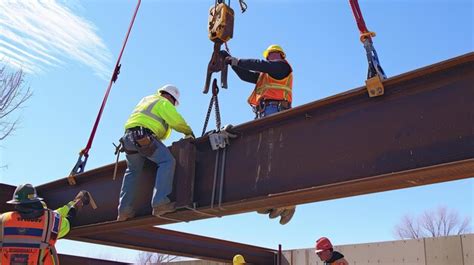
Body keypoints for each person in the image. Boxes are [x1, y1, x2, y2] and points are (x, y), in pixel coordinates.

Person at [225, 44, 296, 225]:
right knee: (263, 156)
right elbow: (246, 74)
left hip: (276, 111)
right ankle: (270, 197)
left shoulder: (282, 68)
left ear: (280, 55)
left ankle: (288, 201)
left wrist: (237, 60)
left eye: (273, 55)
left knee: (274, 154)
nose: (270, 57)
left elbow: (261, 65)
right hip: (264, 113)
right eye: (269, 55)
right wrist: (231, 62)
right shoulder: (266, 76)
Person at [117, 84, 195, 221]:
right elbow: (176, 122)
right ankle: (160, 203)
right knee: (167, 161)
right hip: (143, 137)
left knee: (132, 172)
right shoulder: (164, 102)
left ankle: (124, 211)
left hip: (128, 140)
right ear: (171, 98)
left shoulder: (147, 100)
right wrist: (188, 132)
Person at [0, 184, 90, 265]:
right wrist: (74, 207)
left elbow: (55, 213)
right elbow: (66, 223)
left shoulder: (3, 220)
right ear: (36, 202)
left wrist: (71, 204)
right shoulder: (50, 221)